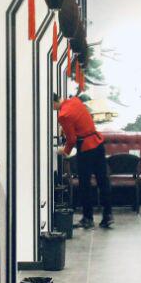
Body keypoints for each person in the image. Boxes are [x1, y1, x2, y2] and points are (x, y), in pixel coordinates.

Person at [55, 93, 113, 228]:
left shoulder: (63, 115)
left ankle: (88, 218)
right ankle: (108, 214)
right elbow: (80, 121)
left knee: (85, 184)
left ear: (53, 103)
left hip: (86, 147)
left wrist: (65, 151)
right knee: (103, 180)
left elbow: (72, 139)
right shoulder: (75, 101)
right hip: (98, 143)